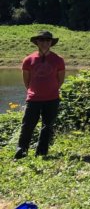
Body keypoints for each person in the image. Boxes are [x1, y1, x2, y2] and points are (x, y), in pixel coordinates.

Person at [14, 31, 66, 159]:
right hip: (33, 99)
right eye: (41, 40)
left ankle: (41, 153)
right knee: (27, 125)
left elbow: (60, 80)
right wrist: (34, 91)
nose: (44, 43)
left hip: (52, 99)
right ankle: (21, 151)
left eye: (47, 40)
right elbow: (27, 81)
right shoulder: (28, 60)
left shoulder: (58, 60)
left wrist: (51, 90)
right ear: (37, 42)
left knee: (47, 126)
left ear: (51, 43)